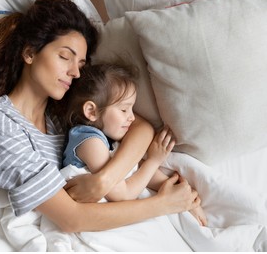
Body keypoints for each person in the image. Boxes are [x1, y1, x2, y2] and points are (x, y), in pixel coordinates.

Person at [0, 0, 200, 233]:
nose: (75, 72)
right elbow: (71, 219)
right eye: (65, 57)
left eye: (81, 64)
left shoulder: (60, 116)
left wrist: (103, 180)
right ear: (30, 52)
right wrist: (165, 204)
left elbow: (140, 128)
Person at [61, 63, 207, 226]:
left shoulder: (108, 139)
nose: (132, 117)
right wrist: (154, 161)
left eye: (132, 109)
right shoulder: (90, 143)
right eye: (124, 110)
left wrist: (186, 197)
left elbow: (136, 170)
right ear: (91, 111)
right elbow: (123, 194)